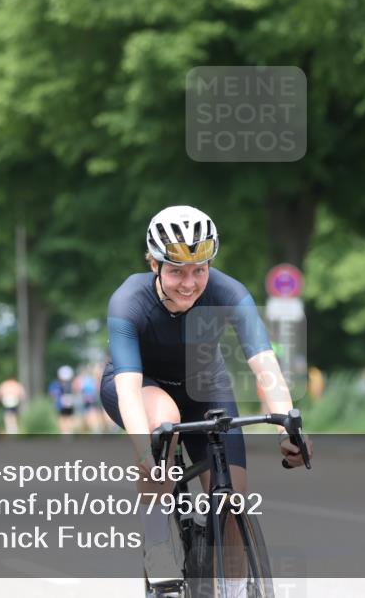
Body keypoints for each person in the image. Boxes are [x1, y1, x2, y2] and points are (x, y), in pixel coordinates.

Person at [101, 205, 312, 590]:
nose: (189, 283)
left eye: (199, 269)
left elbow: (264, 364)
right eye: (177, 270)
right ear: (154, 265)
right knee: (163, 417)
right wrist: (143, 452)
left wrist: (288, 424)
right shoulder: (127, 301)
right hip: (142, 386)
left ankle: (231, 588)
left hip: (204, 387)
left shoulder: (229, 292)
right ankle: (156, 537)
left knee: (231, 503)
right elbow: (129, 390)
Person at [49, 365, 78, 434]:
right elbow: (53, 395)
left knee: (69, 421)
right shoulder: (56, 384)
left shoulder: (72, 384)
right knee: (62, 421)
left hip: (69, 406)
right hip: (60, 406)